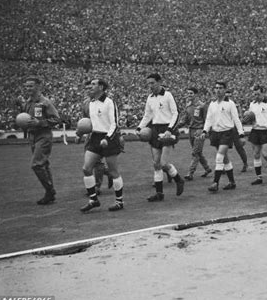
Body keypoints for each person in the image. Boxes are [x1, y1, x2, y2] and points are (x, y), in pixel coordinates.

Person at [136, 73, 184, 202]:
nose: (150, 86)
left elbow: (175, 114)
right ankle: (159, 193)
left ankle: (179, 180)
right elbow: (147, 115)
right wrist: (140, 128)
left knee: (163, 163)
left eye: (152, 83)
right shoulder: (150, 98)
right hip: (155, 130)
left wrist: (169, 129)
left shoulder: (168, 95)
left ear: (159, 82)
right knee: (156, 164)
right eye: (148, 84)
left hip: (167, 130)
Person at [80, 79, 125, 212]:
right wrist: (80, 132)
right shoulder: (91, 103)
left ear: (101, 87)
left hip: (109, 138)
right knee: (86, 169)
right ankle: (93, 199)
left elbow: (114, 123)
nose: (90, 87)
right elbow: (90, 123)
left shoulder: (109, 102)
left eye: (93, 84)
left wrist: (107, 138)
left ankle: (119, 201)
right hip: (95, 138)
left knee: (113, 171)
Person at [19, 77, 60, 205]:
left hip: (44, 136)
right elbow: (26, 119)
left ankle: (50, 190)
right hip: (33, 137)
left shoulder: (45, 102)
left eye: (31, 86)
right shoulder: (27, 102)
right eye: (26, 86)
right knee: (44, 165)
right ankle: (50, 194)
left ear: (38, 86)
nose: (28, 89)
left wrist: (40, 122)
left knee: (36, 164)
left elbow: (56, 119)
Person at [199, 81, 245, 192]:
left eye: (220, 88)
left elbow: (236, 119)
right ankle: (232, 182)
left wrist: (241, 134)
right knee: (225, 159)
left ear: (225, 90)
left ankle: (215, 183)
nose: (218, 90)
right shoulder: (212, 104)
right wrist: (205, 131)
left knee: (219, 157)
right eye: (216, 88)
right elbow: (209, 119)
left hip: (227, 133)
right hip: (215, 133)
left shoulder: (230, 103)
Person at [77, 80, 113, 196]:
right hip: (91, 135)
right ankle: (109, 173)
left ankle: (96, 187)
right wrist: (80, 134)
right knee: (90, 163)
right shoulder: (87, 103)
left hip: (103, 135)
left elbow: (111, 121)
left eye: (90, 87)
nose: (88, 90)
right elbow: (84, 122)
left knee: (97, 163)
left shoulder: (107, 102)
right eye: (87, 88)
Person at [177, 87, 212, 181]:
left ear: (196, 94)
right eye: (188, 93)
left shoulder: (202, 106)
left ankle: (190, 173)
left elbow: (207, 120)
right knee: (198, 152)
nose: (189, 95)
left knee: (195, 152)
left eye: (191, 93)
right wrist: (177, 126)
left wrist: (204, 131)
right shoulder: (188, 105)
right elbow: (185, 118)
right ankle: (207, 169)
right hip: (191, 131)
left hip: (199, 130)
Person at [248, 85, 267, 185]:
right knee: (256, 154)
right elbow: (251, 117)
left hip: (266, 131)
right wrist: (247, 117)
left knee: (265, 154)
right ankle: (259, 178)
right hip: (255, 130)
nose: (256, 96)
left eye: (258, 94)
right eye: (254, 94)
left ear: (262, 93)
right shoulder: (252, 104)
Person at [225, 89, 249, 172]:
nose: (228, 97)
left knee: (239, 147)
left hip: (234, 129)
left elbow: (240, 119)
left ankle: (245, 163)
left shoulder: (236, 106)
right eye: (226, 96)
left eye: (229, 96)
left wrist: (241, 131)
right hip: (226, 129)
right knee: (223, 147)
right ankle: (225, 166)